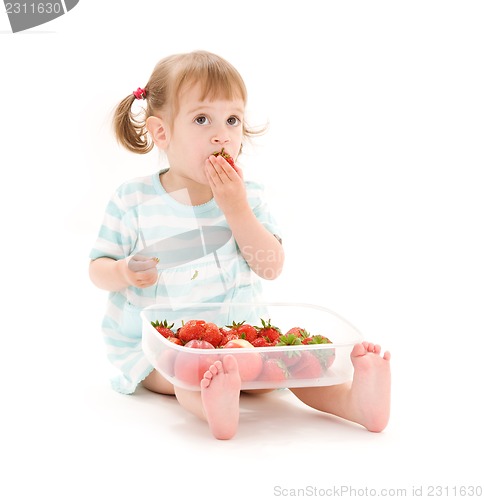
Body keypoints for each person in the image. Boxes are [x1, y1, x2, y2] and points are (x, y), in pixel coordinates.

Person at [89, 50, 391, 440]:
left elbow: (270, 266)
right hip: (164, 349)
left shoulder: (249, 196)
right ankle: (216, 405)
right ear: (162, 132)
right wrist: (123, 270)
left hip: (243, 338)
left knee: (293, 366)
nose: (222, 135)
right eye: (202, 119)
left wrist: (235, 207)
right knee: (188, 376)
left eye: (232, 120)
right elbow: (98, 268)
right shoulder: (133, 200)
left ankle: (355, 402)